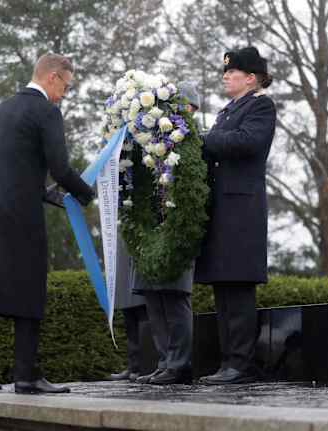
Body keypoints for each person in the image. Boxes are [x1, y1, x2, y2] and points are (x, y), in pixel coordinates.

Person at [0, 53, 94, 395]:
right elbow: (60, 168)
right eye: (66, 87)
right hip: (21, 215)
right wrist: (87, 194)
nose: (64, 95)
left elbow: (15, 167)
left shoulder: (2, 110)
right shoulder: (46, 111)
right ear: (53, 78)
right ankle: (27, 376)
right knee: (30, 287)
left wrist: (45, 194)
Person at [194, 47, 276, 385]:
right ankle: (228, 361)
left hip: (242, 209)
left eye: (233, 71)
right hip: (223, 209)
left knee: (239, 287)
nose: (225, 76)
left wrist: (204, 139)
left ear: (251, 78)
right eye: (225, 71)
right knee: (224, 287)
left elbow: (248, 142)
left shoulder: (260, 105)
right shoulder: (228, 110)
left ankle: (240, 364)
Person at [129, 82, 201, 386]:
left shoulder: (197, 141)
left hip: (179, 226)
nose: (182, 111)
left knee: (174, 297)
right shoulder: (153, 140)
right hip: (153, 226)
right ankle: (164, 361)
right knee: (153, 298)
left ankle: (180, 363)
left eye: (186, 106)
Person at [107, 238, 147, 382]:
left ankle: (145, 366)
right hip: (124, 273)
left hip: (140, 264)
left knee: (144, 325)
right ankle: (133, 366)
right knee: (130, 327)